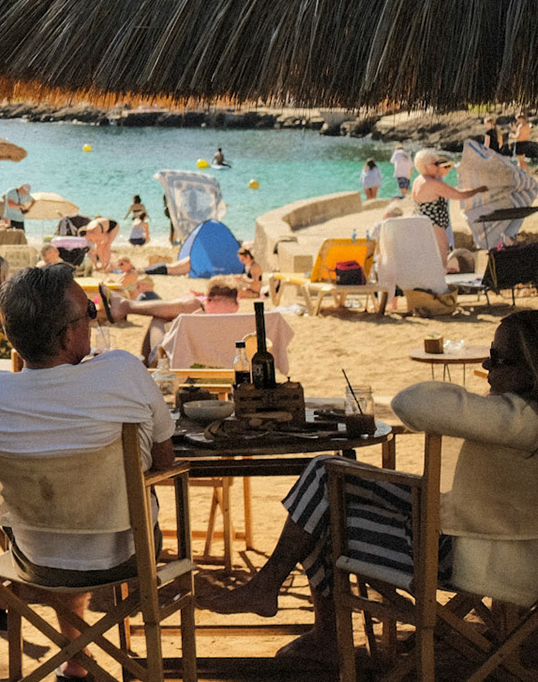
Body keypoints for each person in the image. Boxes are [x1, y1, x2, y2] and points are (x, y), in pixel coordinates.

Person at [206, 310, 538, 662]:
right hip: (476, 527)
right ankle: (277, 592)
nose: (486, 365)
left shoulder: (517, 419)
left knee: (323, 518)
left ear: (530, 369)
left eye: (498, 358)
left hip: (473, 554)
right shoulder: (520, 414)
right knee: (324, 472)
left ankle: (320, 628)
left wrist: (483, 400)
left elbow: (411, 402)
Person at [0, 265, 176, 674]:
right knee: (90, 513)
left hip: (34, 558)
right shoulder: (123, 372)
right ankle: (76, 658)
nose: (94, 317)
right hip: (127, 555)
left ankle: (74, 659)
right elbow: (165, 463)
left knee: (53, 518)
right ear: (68, 336)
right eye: (89, 311)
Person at [104, 276, 244, 365]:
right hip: (226, 368)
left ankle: (125, 306)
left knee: (159, 317)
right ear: (236, 305)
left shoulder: (195, 316)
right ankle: (124, 306)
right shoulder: (243, 323)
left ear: (208, 300)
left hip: (173, 365)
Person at [413, 148, 488, 267]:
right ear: (425, 166)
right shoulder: (432, 184)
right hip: (434, 223)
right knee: (444, 255)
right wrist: (478, 190)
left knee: (429, 257)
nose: (438, 166)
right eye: (435, 164)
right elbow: (459, 195)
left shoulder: (418, 181)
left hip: (421, 221)